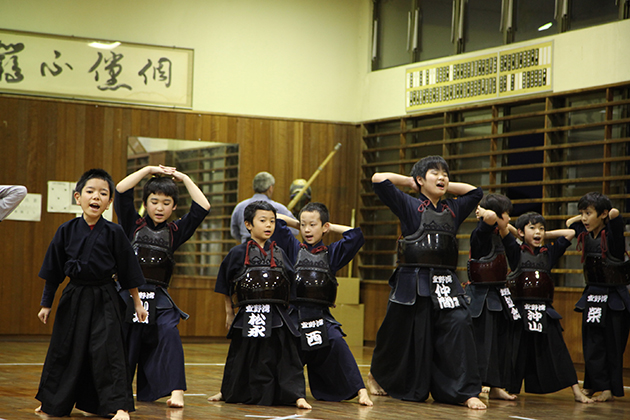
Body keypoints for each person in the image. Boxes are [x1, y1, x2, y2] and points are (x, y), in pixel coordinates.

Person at [367, 155, 486, 410]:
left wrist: (440, 184)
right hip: (413, 281)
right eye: (435, 173)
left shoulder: (452, 209)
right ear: (420, 179)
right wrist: (414, 184)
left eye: (445, 173)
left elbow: (476, 192)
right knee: (397, 333)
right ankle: (376, 375)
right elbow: (378, 179)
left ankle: (463, 391)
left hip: (446, 282)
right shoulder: (409, 205)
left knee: (460, 324)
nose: (442, 177)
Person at [35, 169, 148, 420]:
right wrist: (46, 304)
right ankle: (51, 403)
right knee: (64, 349)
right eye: (90, 191)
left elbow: (129, 271)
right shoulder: (66, 230)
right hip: (74, 295)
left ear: (109, 203)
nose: (96, 197)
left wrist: (138, 304)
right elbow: (53, 271)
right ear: (78, 197)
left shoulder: (114, 232)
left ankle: (118, 407)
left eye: (103, 193)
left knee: (109, 351)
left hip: (105, 297)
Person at [114, 165, 211, 408]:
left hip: (160, 298)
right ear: (145, 203)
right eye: (154, 201)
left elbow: (203, 207)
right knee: (125, 341)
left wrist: (184, 177)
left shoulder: (175, 231)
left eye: (166, 203)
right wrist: (147, 169)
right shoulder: (131, 224)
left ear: (174, 206)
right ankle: (116, 390)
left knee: (170, 333)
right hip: (128, 295)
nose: (160, 208)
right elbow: (121, 190)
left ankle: (177, 391)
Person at [209, 200, 311, 409]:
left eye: (272, 221)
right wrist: (229, 313)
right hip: (248, 312)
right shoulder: (238, 253)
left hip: (277, 313)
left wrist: (290, 311)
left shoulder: (280, 252)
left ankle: (296, 395)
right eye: (262, 220)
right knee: (241, 353)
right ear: (248, 224)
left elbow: (291, 282)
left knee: (286, 354)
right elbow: (225, 284)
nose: (268, 225)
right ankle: (228, 390)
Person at [272, 202, 373, 406]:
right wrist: (298, 223)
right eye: (303, 225)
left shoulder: (332, 253)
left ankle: (361, 390)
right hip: (293, 316)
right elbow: (277, 220)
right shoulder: (292, 248)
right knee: (285, 347)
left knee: (337, 341)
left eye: (313, 225)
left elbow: (356, 235)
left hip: (321, 316)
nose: (307, 230)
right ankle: (291, 393)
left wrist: (330, 226)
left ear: (324, 227)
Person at [503, 212, 593, 404]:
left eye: (541, 229)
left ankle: (577, 392)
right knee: (515, 351)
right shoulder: (515, 252)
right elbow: (504, 229)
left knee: (558, 348)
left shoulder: (548, 253)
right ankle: (506, 388)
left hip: (544, 310)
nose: (538, 233)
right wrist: (520, 234)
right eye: (533, 228)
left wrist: (543, 234)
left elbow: (569, 233)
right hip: (521, 310)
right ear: (520, 232)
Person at [566, 192, 629, 402]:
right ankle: (594, 385)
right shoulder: (585, 234)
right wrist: (587, 216)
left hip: (614, 298)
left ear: (602, 214)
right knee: (592, 344)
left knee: (612, 345)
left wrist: (605, 211)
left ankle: (609, 388)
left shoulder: (613, 237)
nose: (583, 218)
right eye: (581, 213)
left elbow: (616, 215)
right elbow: (569, 222)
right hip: (593, 296)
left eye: (588, 213)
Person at [466, 194, 517, 401]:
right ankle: (475, 385)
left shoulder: (503, 235)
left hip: (499, 294)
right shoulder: (480, 234)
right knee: (481, 344)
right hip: (481, 296)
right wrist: (486, 213)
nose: (510, 219)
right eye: (506, 215)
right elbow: (485, 224)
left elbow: (515, 260)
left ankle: (496, 386)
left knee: (499, 344)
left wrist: (506, 229)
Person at [230, 171, 297, 242]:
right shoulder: (279, 208)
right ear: (270, 188)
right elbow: (295, 230)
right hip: (270, 249)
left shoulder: (240, 207)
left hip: (245, 249)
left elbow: (234, 232)